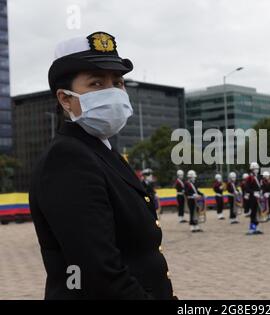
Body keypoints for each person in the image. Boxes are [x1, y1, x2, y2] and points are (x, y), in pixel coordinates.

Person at [29, 32, 174, 299]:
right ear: (65, 99)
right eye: (96, 83)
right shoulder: (67, 158)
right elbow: (99, 272)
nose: (112, 92)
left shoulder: (100, 150)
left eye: (117, 82)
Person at [246, 162, 263, 235]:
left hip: (259, 196)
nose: (257, 170)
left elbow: (261, 186)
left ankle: (257, 227)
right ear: (252, 169)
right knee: (253, 213)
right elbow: (247, 188)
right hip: (253, 198)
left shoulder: (259, 177)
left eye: (257, 169)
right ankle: (252, 229)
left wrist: (261, 191)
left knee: (258, 213)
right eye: (256, 169)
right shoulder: (249, 178)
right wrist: (253, 193)